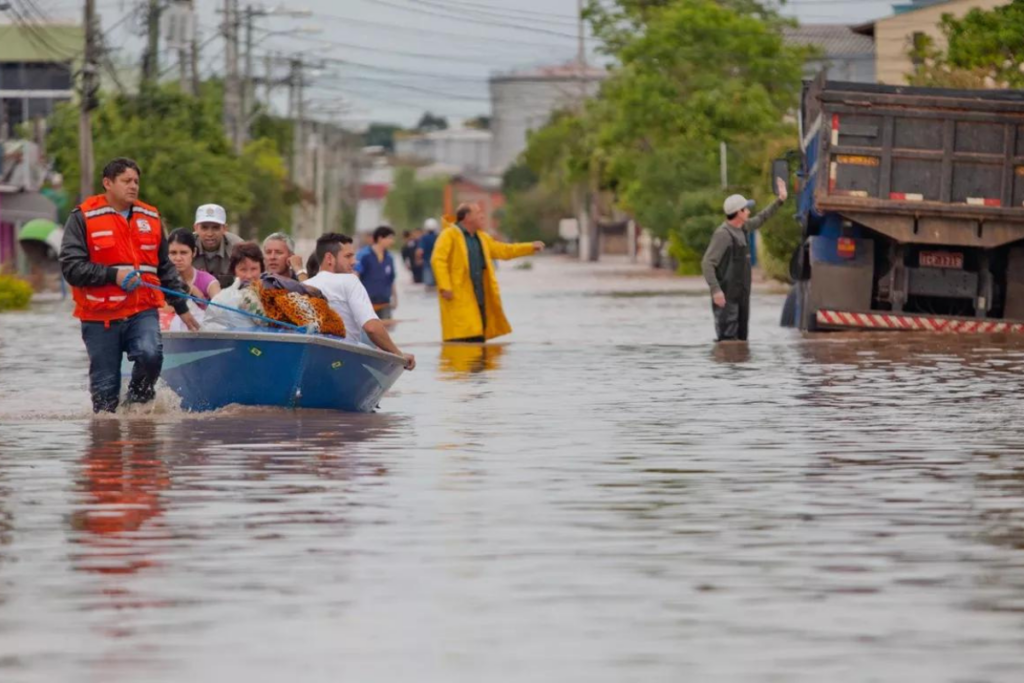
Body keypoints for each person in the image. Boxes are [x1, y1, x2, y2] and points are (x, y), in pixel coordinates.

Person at [59, 157, 199, 413]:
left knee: (151, 355)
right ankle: (107, 440)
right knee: (104, 399)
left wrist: (181, 307)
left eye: (136, 181)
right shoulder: (83, 217)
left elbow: (164, 267)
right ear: (107, 183)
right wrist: (113, 275)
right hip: (99, 317)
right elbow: (71, 268)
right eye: (126, 181)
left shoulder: (151, 216)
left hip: (141, 310)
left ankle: (138, 410)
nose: (133, 186)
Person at [431, 203, 544, 343]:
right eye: (478, 212)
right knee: (461, 344)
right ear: (467, 217)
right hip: (457, 298)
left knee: (478, 341)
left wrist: (530, 247)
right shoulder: (449, 235)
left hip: (479, 299)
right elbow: (438, 260)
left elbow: (504, 250)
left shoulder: (482, 238)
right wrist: (445, 286)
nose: (483, 216)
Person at [304, 233, 415, 370]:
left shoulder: (304, 285)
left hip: (312, 361)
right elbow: (372, 328)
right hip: (343, 362)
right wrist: (399, 355)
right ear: (329, 258)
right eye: (348, 256)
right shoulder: (350, 281)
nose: (354, 261)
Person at [701, 177, 788, 342]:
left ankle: (740, 366)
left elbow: (762, 217)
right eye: (746, 209)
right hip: (726, 298)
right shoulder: (723, 234)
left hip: (742, 296)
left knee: (741, 342)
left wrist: (780, 200)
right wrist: (716, 290)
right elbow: (707, 263)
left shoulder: (744, 228)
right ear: (738, 213)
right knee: (727, 342)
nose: (749, 212)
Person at [204, 242, 267, 330]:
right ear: (234, 271)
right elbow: (209, 328)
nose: (249, 275)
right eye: (243, 269)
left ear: (262, 269)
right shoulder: (221, 299)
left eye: (254, 269)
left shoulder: (273, 293)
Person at [192, 203, 243, 288]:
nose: (210, 234)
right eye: (204, 228)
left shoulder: (238, 248)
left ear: (224, 229)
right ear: (196, 228)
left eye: (215, 228)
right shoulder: (186, 245)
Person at [167, 228, 221, 303]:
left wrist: (200, 298)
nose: (178, 258)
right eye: (173, 253)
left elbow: (221, 309)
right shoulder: (159, 280)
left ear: (194, 252)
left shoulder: (209, 281)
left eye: (183, 253)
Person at [358, 226, 398, 319]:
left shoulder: (389, 258)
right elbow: (356, 276)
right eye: (390, 238)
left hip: (385, 303)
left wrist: (395, 299)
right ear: (380, 238)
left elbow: (391, 280)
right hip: (368, 304)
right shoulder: (364, 255)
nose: (392, 242)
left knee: (386, 330)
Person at [418, 217, 440, 287]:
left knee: (429, 284)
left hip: (427, 262)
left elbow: (420, 251)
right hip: (438, 262)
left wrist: (418, 259)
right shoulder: (439, 237)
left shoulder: (424, 238)